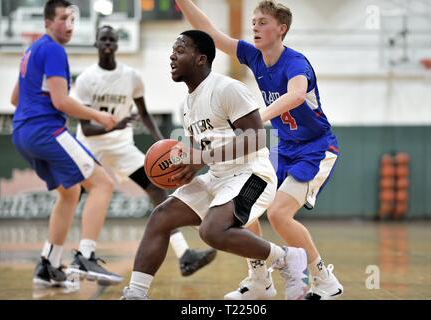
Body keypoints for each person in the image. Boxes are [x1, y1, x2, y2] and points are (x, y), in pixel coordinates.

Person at [120, 30, 309, 300]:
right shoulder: (186, 105)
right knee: (161, 216)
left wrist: (202, 159)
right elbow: (206, 151)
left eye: (180, 49)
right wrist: (189, 167)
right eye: (172, 49)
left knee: (212, 231)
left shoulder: (226, 88)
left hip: (253, 174)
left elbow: (256, 138)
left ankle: (287, 258)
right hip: (218, 177)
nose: (172, 55)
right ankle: (135, 294)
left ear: (200, 59)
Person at [175, 0, 344, 300]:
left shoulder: (295, 62)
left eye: (262, 21)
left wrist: (257, 118)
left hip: (316, 148)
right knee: (242, 207)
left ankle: (323, 279)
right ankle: (259, 281)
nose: (255, 26)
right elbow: (210, 33)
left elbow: (295, 95)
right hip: (284, 146)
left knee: (279, 215)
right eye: (253, 21)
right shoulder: (254, 57)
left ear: (281, 29)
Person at [73, 25, 217, 277]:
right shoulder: (86, 79)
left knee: (156, 188)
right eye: (103, 39)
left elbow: (144, 114)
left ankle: (184, 254)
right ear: (96, 43)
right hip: (89, 147)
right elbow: (86, 129)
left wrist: (165, 145)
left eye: (112, 39)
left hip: (120, 146)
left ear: (117, 44)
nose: (108, 43)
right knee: (70, 196)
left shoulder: (131, 76)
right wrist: (115, 124)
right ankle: (65, 257)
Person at [10, 0, 122, 287]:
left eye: (73, 18)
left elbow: (14, 98)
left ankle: (48, 264)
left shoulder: (32, 50)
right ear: (48, 22)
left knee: (70, 192)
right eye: (63, 18)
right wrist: (98, 115)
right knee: (103, 184)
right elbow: (61, 101)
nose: (69, 24)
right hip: (44, 130)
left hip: (22, 133)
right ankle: (86, 256)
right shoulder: (54, 50)